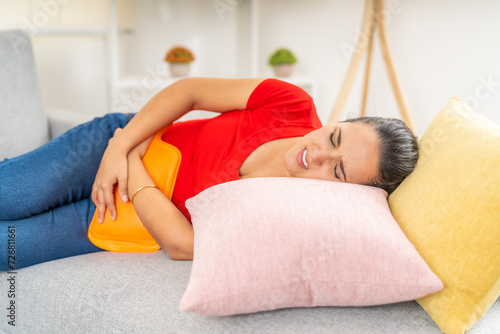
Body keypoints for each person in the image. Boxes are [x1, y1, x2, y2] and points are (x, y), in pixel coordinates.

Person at [0, 78, 418, 270]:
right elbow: (190, 92)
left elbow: (183, 245)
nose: (318, 153)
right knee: (12, 194)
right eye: (335, 136)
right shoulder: (290, 104)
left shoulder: (286, 213)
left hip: (123, 218)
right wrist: (120, 144)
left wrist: (129, 164)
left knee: (7, 249)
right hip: (119, 142)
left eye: (339, 170)